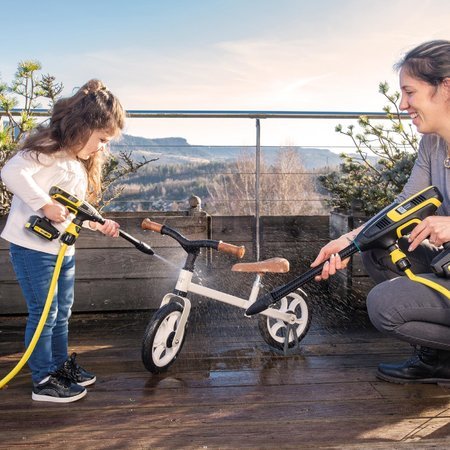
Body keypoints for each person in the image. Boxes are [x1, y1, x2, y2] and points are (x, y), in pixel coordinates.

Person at [310, 40, 450, 385]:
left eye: (410, 92)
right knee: (377, 249)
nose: (402, 104)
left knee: (386, 306)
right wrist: (347, 242)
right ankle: (439, 361)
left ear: (446, 87)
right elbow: (404, 207)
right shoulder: (432, 145)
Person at [0, 79, 124, 402]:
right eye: (101, 139)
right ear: (85, 125)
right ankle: (43, 379)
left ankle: (58, 366)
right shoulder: (51, 149)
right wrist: (44, 205)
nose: (102, 148)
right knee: (45, 311)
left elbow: (74, 210)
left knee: (61, 310)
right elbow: (11, 172)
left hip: (61, 252)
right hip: (33, 249)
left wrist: (100, 223)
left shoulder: (76, 163)